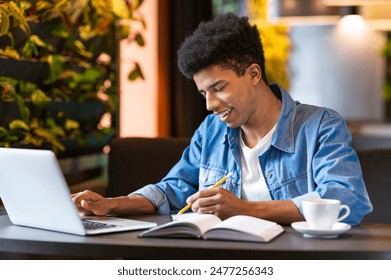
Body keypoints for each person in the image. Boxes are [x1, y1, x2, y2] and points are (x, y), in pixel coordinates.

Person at [72, 13, 372, 225]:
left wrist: (244, 209)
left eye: (219, 88)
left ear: (253, 74)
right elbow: (176, 188)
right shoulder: (211, 131)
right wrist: (111, 204)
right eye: (203, 93)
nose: (210, 104)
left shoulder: (320, 126)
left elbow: (346, 200)